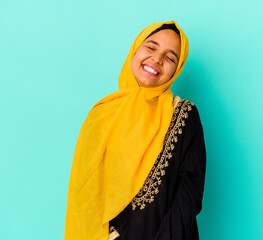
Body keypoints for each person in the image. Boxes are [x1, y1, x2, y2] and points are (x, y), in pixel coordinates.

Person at [64, 20, 206, 240]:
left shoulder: (184, 114)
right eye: (151, 47)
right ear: (135, 50)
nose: (157, 59)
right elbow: (85, 195)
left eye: (170, 58)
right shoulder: (102, 114)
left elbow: (189, 194)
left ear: (176, 70)